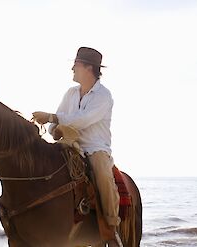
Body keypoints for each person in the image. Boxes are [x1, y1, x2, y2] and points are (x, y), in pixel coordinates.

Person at [32, 47, 121, 246]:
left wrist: (51, 118)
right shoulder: (70, 94)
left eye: (76, 65)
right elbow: (54, 125)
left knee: (103, 175)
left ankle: (111, 229)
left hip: (94, 148)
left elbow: (83, 120)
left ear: (89, 68)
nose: (72, 68)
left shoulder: (104, 96)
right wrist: (54, 129)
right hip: (69, 146)